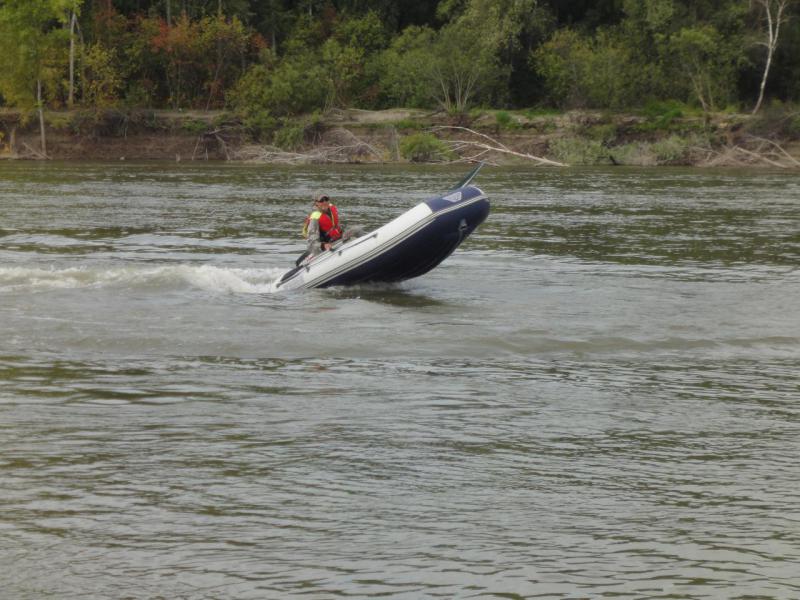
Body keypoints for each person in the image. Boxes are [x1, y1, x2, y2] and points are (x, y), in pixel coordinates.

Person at [299, 194, 362, 264]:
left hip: (339, 238)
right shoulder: (315, 219)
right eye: (321, 201)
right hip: (329, 245)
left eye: (326, 200)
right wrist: (323, 245)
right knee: (352, 239)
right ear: (316, 203)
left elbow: (338, 226)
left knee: (357, 229)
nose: (324, 202)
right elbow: (311, 243)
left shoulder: (331, 210)